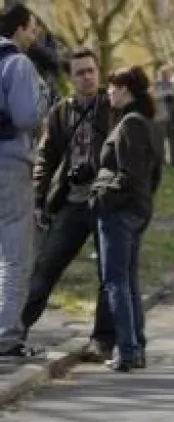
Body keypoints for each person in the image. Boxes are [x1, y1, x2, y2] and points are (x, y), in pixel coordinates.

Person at [22, 47, 114, 362]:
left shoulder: (113, 107)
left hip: (108, 203)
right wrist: (39, 199)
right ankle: (16, 330)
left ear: (98, 71)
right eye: (80, 73)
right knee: (46, 265)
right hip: (71, 203)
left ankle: (103, 340)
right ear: (71, 78)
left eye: (91, 70)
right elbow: (45, 159)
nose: (87, 77)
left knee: (109, 274)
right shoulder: (61, 112)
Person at [91, 66, 162, 372]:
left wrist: (102, 193)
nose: (108, 92)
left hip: (121, 212)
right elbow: (153, 174)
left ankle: (128, 350)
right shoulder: (143, 122)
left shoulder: (131, 124)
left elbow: (129, 175)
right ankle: (136, 346)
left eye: (112, 87)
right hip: (136, 209)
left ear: (126, 90)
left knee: (115, 282)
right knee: (128, 281)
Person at [0, 3, 44, 359]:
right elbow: (26, 116)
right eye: (32, 29)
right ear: (18, 29)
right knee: (14, 256)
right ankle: (7, 337)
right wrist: (44, 98)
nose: (34, 37)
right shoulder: (18, 64)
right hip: (10, 165)